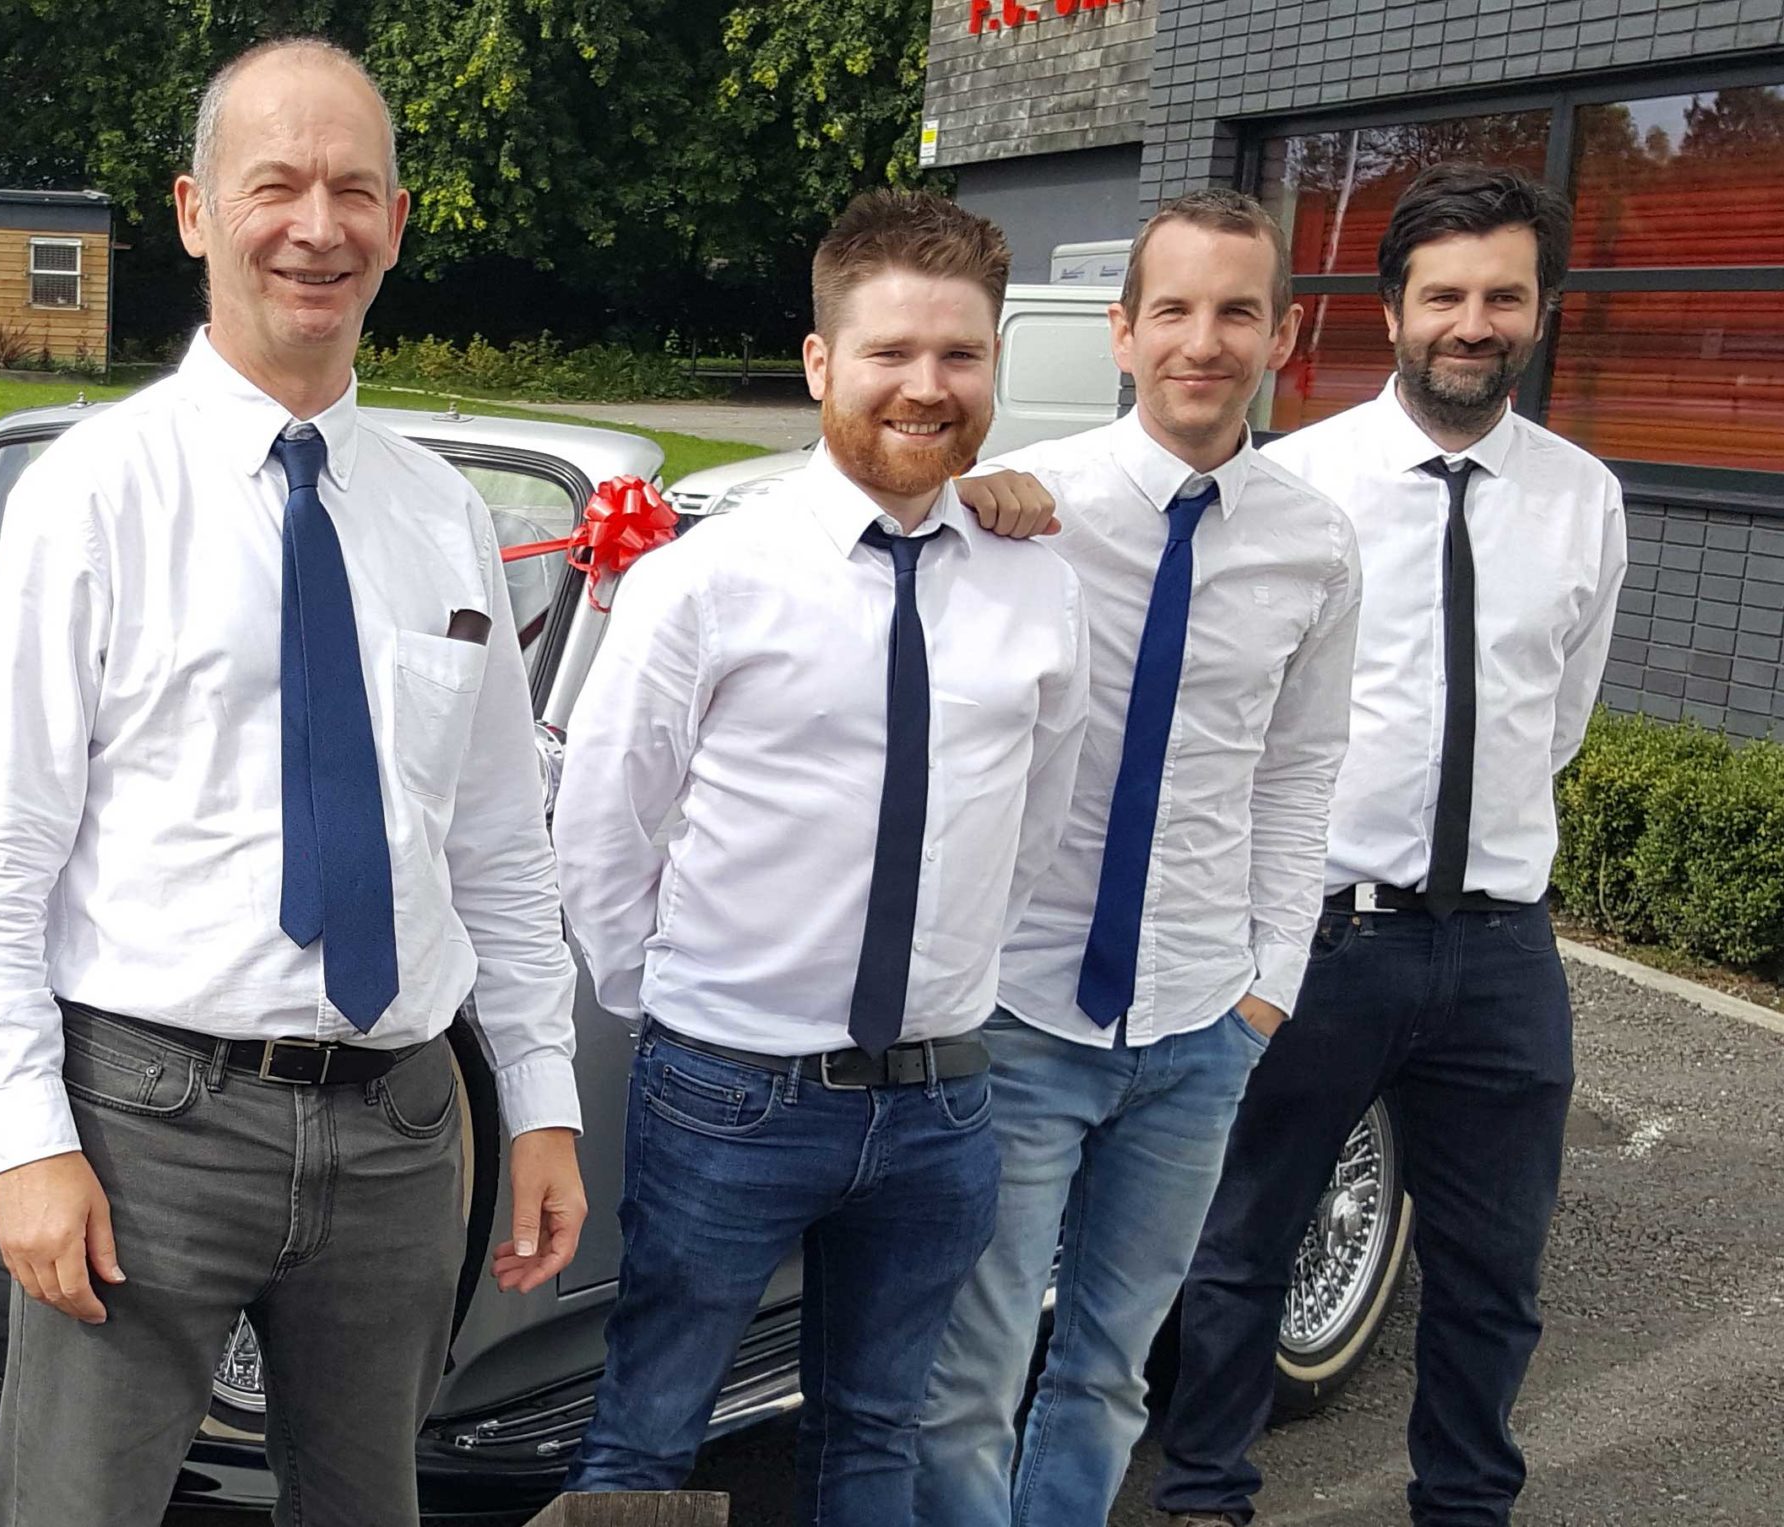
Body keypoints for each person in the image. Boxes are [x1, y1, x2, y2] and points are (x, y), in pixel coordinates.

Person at [0, 37, 587, 1527]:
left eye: (354, 190)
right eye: (275, 185)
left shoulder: (443, 518)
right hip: (144, 1127)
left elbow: (497, 846)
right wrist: (28, 1144)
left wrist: (541, 1099)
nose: (317, 226)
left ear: (395, 224)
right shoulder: (93, 499)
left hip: (402, 1132)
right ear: (195, 212)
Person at [552, 188, 1091, 1526]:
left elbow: (1032, 826)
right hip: (730, 1092)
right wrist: (679, 1008)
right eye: (889, 351)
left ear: (995, 363)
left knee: (875, 1437)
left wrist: (951, 985)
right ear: (819, 362)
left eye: (959, 354)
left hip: (941, 1103)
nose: (926, 386)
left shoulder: (1036, 584)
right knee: (648, 1432)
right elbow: (605, 826)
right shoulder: (707, 580)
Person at [1154, 163, 1628, 1527]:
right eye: (1445, 297)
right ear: (1391, 312)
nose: (1473, 324)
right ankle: (1205, 1499)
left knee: (1494, 1272)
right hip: (1319, 938)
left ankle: (1465, 1507)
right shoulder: (1292, 486)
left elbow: (1558, 718)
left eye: (1503, 297)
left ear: (1541, 311)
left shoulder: (1583, 497)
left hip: (1500, 952)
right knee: (1243, 1244)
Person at [914, 188, 1361, 1527]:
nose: (1202, 342)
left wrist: (1268, 986)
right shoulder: (1025, 507)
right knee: (969, 1378)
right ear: (1124, 331)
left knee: (1109, 1373)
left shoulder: (1315, 544)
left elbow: (1298, 774)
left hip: (1200, 1025)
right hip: (1024, 1013)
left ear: (1282, 336)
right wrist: (955, 496)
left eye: (1237, 313)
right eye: (1173, 310)